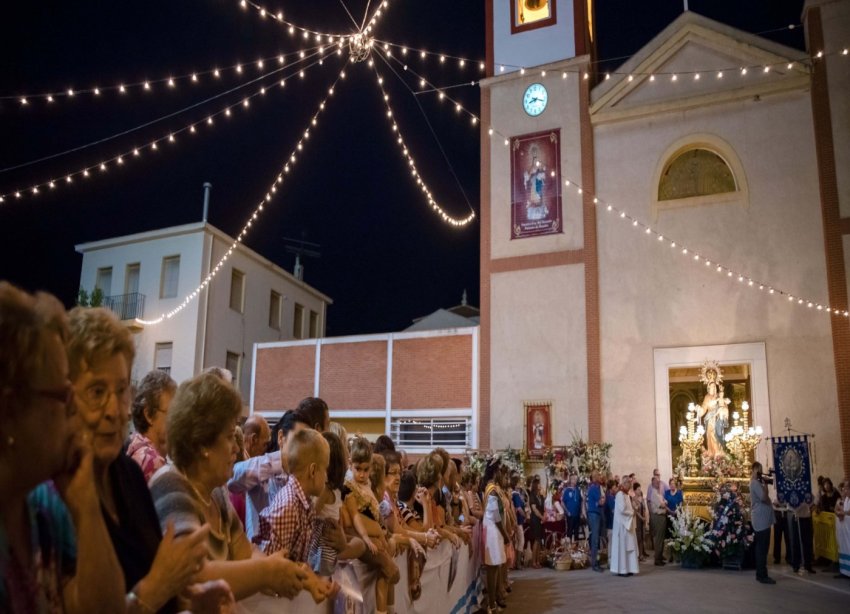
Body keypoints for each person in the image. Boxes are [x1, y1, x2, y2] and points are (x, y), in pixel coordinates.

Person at [68, 307, 227, 613]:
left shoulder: (126, 473)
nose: (117, 410)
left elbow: (161, 577)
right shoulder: (51, 493)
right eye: (97, 391)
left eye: (122, 390)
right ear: (64, 394)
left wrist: (192, 600)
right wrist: (154, 590)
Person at [0, 283, 125, 613]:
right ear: (9, 411)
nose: (74, 409)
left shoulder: (41, 516)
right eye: (61, 396)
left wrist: (86, 507)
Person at [149, 372, 309, 601]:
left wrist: (293, 574)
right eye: (227, 437)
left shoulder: (216, 493)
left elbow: (245, 553)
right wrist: (268, 572)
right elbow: (193, 575)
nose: (236, 448)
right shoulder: (171, 484)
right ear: (202, 442)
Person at [253, 429, 337, 601]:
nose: (327, 477)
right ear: (313, 471)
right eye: (325, 469)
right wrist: (310, 581)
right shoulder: (289, 506)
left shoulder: (304, 504)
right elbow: (273, 569)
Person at [226, 410, 300, 541]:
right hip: (258, 554)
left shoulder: (303, 475)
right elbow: (232, 477)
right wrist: (279, 461)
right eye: (298, 441)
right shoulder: (265, 466)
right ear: (281, 438)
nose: (302, 448)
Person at [344, 437, 398, 614]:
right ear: (350, 464)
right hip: (362, 538)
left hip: (374, 535)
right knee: (390, 570)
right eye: (357, 469)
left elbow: (375, 516)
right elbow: (355, 518)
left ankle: (386, 609)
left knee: (389, 571)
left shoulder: (366, 485)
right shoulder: (349, 487)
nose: (361, 474)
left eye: (366, 470)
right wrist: (368, 538)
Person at [127, 369, 176, 483]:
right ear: (149, 414)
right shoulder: (153, 463)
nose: (176, 420)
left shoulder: (134, 447)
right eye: (172, 413)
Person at [481, 458, 508, 614]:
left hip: (495, 530)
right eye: (498, 470)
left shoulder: (494, 488)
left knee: (496, 566)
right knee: (492, 567)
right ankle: (491, 605)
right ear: (495, 472)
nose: (500, 473)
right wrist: (504, 533)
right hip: (493, 530)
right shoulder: (491, 489)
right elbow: (495, 515)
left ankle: (495, 598)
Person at [749, 461, 776, 584]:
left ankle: (761, 573)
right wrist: (765, 486)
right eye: (759, 470)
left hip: (763, 519)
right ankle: (762, 574)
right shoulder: (755, 483)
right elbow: (764, 498)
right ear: (754, 470)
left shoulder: (756, 483)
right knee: (762, 548)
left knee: (762, 548)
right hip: (761, 520)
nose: (760, 472)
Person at [610, 477, 639, 576]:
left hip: (627, 524)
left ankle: (629, 568)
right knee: (622, 548)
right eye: (629, 484)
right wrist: (632, 512)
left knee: (629, 547)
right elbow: (622, 509)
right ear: (624, 483)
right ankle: (622, 570)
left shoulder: (626, 494)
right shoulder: (619, 494)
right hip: (621, 526)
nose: (630, 486)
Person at [648, 475, 669, 566]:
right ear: (652, 483)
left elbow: (665, 501)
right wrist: (664, 503)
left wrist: (664, 502)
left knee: (661, 538)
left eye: (658, 482)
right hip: (658, 517)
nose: (658, 484)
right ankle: (657, 559)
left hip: (662, 517)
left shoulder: (658, 493)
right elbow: (663, 505)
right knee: (659, 539)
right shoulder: (653, 493)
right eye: (656, 482)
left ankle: (660, 557)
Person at [586, 470, 605, 572]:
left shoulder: (596, 488)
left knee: (596, 539)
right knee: (595, 539)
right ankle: (594, 564)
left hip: (595, 513)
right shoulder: (593, 488)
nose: (599, 476)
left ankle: (596, 562)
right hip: (594, 514)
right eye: (598, 475)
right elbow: (601, 501)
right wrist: (602, 499)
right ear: (593, 478)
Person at [527, 476, 545, 568]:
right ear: (535, 485)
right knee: (536, 541)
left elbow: (543, 508)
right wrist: (542, 517)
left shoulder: (540, 496)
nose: (540, 485)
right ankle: (534, 562)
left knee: (539, 541)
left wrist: (544, 516)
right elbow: (534, 509)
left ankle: (538, 561)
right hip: (535, 520)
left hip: (541, 520)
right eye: (539, 484)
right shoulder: (532, 496)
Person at [835, 480, 850, 579]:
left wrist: (843, 514)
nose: (844, 490)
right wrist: (838, 513)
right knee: (844, 547)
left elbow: (847, 512)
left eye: (846, 488)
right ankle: (845, 570)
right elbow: (838, 508)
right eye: (844, 488)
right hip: (844, 528)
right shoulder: (845, 499)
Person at [561, 474, 582, 545]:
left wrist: (581, 512)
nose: (575, 481)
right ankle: (569, 549)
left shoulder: (578, 490)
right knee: (569, 532)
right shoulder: (567, 490)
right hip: (570, 515)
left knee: (576, 533)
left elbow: (580, 501)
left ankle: (576, 548)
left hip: (577, 514)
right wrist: (567, 511)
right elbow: (562, 502)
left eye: (576, 479)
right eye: (574, 479)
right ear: (571, 480)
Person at [632, 482, 649, 561]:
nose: (639, 491)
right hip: (638, 519)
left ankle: (642, 553)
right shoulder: (633, 499)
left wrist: (645, 517)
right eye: (638, 489)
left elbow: (644, 508)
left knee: (643, 537)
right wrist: (641, 517)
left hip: (643, 519)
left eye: (640, 489)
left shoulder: (641, 499)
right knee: (638, 537)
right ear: (634, 490)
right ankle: (639, 554)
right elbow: (635, 510)